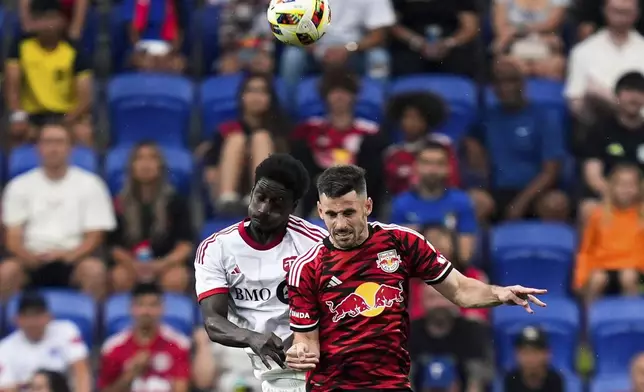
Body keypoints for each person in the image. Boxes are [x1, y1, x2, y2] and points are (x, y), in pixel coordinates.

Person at [286, 164, 546, 391]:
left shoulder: (402, 242)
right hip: (334, 386)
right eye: (331, 215)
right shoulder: (307, 268)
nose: (340, 224)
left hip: (391, 384)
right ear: (320, 211)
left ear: (367, 206)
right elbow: (307, 341)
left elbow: (459, 289)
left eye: (349, 213)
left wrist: (498, 293)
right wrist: (300, 353)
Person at [195, 154, 328, 392]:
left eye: (277, 202)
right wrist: (251, 337)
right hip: (252, 362)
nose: (264, 209)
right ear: (252, 191)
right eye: (260, 197)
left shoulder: (316, 244)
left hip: (312, 363)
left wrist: (303, 338)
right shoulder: (216, 248)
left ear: (294, 206)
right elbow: (213, 322)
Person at [0, 122, 115, 302]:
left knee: (95, 271)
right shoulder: (18, 185)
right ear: (37, 148)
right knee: (6, 272)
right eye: (47, 142)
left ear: (71, 148)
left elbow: (95, 237)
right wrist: (28, 256)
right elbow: (12, 237)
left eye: (60, 142)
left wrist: (69, 256)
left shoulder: (91, 184)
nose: (53, 148)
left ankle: (95, 327)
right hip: (31, 259)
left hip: (74, 260)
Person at [109, 142, 194, 293]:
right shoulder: (119, 202)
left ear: (160, 166)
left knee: (176, 278)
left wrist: (161, 265)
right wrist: (133, 265)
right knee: (119, 277)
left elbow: (185, 245)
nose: (145, 164)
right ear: (131, 167)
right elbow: (114, 246)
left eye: (152, 158)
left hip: (166, 265)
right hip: (131, 265)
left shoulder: (176, 201)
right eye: (139, 158)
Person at [97, 282, 191, 392]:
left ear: (162, 308)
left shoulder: (178, 344)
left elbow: (181, 388)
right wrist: (131, 374)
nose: (146, 311)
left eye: (153, 305)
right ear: (131, 308)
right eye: (141, 305)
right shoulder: (113, 347)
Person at [574, 164, 644, 305]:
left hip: (635, 270)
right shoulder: (598, 215)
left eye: (631, 185)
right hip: (602, 267)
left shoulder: (641, 215)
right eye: (621, 185)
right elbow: (586, 250)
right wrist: (580, 279)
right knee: (597, 279)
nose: (626, 190)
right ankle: (588, 323)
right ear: (611, 187)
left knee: (628, 276)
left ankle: (633, 322)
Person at [0, 292, 91, 392]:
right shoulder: (5, 348)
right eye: (27, 316)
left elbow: (81, 371)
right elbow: (4, 388)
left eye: (37, 315)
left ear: (49, 316)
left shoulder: (66, 331)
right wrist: (32, 386)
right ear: (16, 320)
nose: (33, 322)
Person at [503, 326, 564, 392]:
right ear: (516, 354)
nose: (530, 358)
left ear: (547, 354)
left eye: (535, 352)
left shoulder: (555, 380)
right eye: (525, 352)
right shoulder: (511, 380)